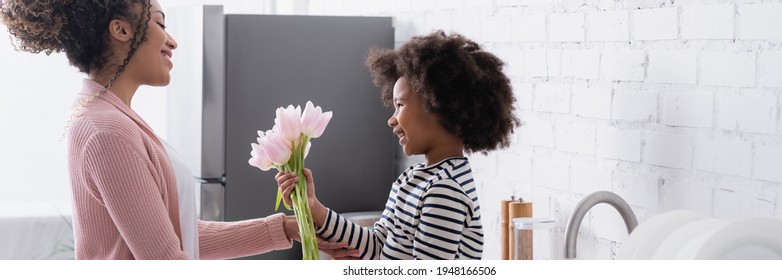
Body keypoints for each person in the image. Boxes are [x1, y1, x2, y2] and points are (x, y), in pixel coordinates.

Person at [1, 0, 357, 260]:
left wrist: (286, 228)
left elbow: (176, 237)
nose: (172, 41)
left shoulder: (110, 118)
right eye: (160, 23)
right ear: (120, 29)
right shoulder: (106, 130)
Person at [276, 30, 520, 260]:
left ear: (439, 107)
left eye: (400, 105)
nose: (391, 119)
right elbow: (377, 244)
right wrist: (314, 208)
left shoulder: (444, 190)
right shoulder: (414, 179)